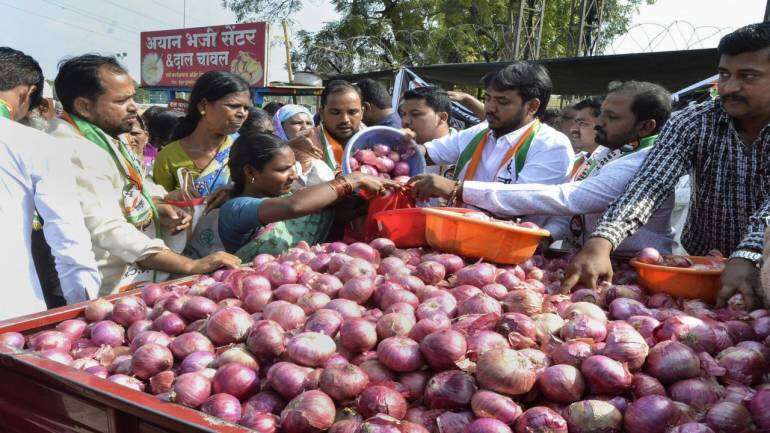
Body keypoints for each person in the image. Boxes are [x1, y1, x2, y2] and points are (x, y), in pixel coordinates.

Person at [562, 22, 770, 310]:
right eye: (724, 74)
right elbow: (651, 183)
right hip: (702, 267)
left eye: (748, 76)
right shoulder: (693, 122)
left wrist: (748, 253)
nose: (731, 87)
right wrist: (603, 239)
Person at [48, 54, 241, 295]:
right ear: (84, 106)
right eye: (122, 100)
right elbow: (108, 229)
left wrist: (159, 203)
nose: (134, 107)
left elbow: (128, 189)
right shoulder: (72, 148)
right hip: (104, 286)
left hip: (131, 275)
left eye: (133, 97)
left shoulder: (102, 137)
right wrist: (190, 265)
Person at [458, 81, 674, 256]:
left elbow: (569, 198)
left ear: (646, 126)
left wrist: (462, 189)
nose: (599, 122)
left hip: (635, 267)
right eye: (602, 113)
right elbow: (571, 213)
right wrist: (547, 236)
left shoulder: (644, 163)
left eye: (612, 117)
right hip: (590, 258)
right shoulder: (608, 152)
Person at [186, 133, 398, 261]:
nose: (294, 175)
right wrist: (352, 179)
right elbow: (294, 207)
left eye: (293, 166)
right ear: (251, 172)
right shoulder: (236, 208)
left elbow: (321, 207)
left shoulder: (286, 194)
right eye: (283, 169)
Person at [0, 47, 100, 317]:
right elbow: (68, 239)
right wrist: (85, 309)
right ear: (28, 93)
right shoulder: (36, 145)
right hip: (9, 312)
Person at [407, 62, 574, 221]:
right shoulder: (480, 132)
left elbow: (521, 200)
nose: (490, 108)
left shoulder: (552, 145)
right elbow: (430, 152)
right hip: (457, 235)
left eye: (502, 102)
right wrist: (400, 147)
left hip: (512, 245)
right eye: (488, 99)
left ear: (532, 106)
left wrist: (455, 188)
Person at [153, 71, 251, 197]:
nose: (242, 113)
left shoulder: (245, 149)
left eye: (246, 108)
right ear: (203, 106)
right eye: (233, 106)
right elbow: (157, 204)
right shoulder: (168, 157)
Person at [288, 80, 365, 174]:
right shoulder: (307, 143)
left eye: (352, 112)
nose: (345, 119)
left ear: (362, 113)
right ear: (322, 113)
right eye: (335, 112)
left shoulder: (376, 141)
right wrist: (288, 150)